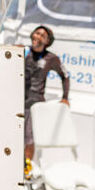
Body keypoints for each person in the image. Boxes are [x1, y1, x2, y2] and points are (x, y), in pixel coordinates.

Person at [24, 25, 69, 164]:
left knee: (28, 137)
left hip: (35, 104)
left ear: (47, 41)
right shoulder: (23, 51)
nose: (38, 37)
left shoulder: (51, 58)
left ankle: (26, 169)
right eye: (37, 33)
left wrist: (65, 97)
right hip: (17, 101)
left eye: (42, 36)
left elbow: (65, 76)